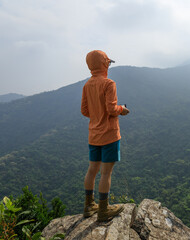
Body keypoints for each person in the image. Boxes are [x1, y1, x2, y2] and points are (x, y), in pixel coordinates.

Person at [81, 50, 129, 222]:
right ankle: (103, 209)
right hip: (109, 134)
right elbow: (111, 109)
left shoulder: (87, 85)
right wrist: (121, 110)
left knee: (92, 170)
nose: (108, 65)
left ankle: (88, 205)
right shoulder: (109, 83)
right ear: (103, 64)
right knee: (106, 174)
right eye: (108, 63)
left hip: (93, 134)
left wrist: (96, 114)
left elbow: (84, 110)